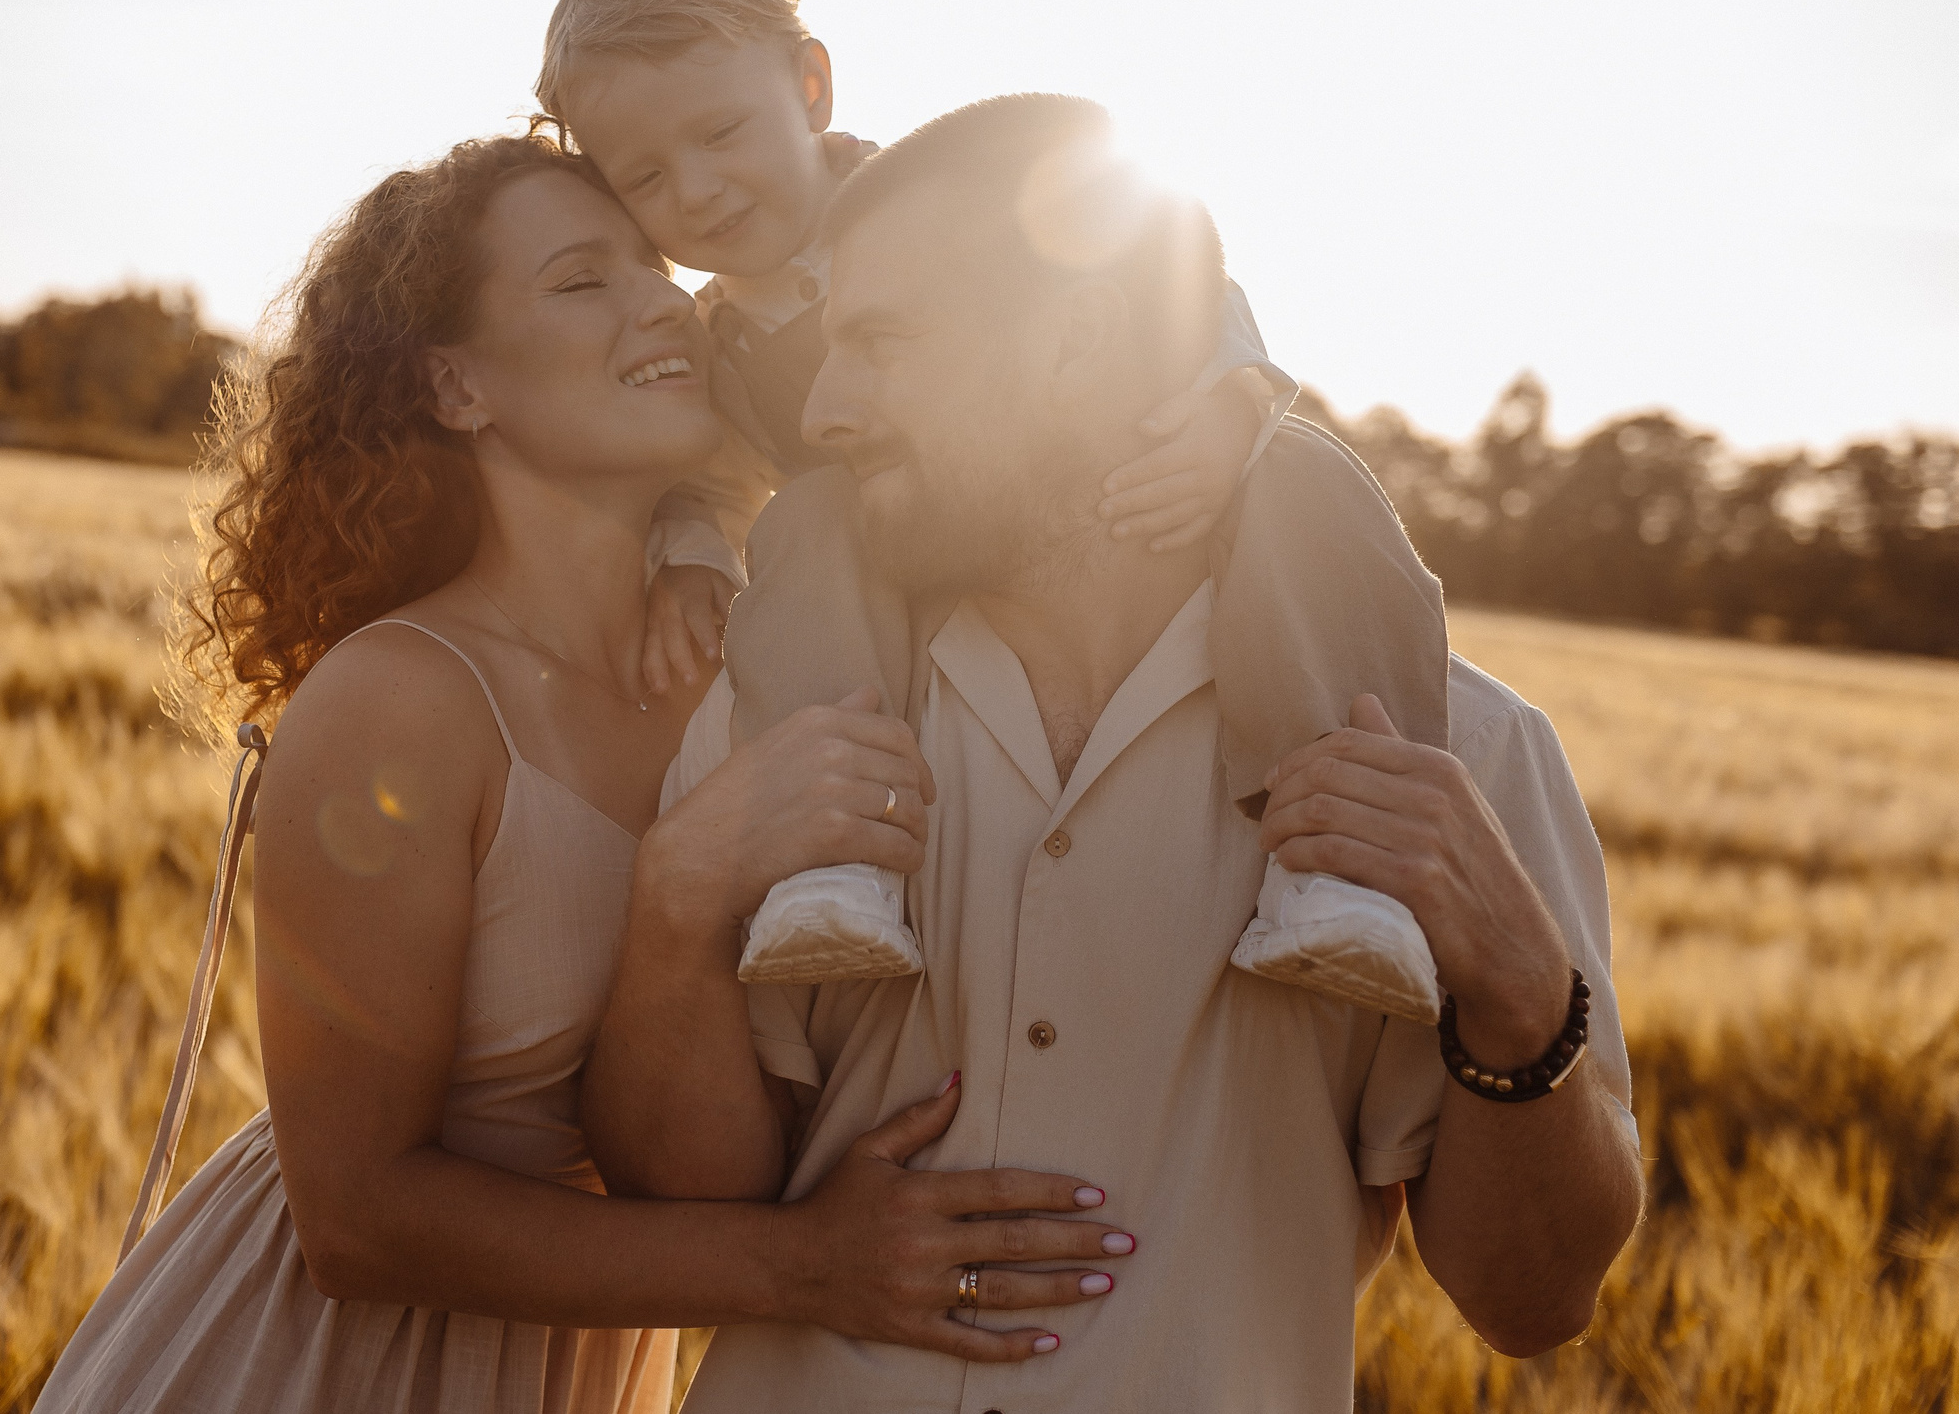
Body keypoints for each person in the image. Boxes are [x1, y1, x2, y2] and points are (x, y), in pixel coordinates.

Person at [32, 130, 1130, 1414]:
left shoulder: (755, 665)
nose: (661, 297)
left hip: (580, 1365)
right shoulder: (401, 699)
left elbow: (985, 382)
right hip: (324, 1370)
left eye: (654, 266)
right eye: (580, 280)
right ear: (457, 389)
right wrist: (806, 1264)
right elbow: (355, 1219)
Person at [584, 95, 1646, 1410]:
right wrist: (674, 902)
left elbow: (1534, 1299)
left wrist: (1523, 984)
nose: (830, 407)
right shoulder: (785, 709)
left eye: (880, 342)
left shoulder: (1459, 753)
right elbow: (679, 1196)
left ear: (1077, 339)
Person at [539, 0, 1451, 1016]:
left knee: (1306, 483)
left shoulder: (951, 204)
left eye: (722, 131)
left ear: (811, 85)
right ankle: (837, 859)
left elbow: (1172, 266)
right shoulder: (715, 336)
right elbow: (711, 473)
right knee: (812, 521)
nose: (696, 190)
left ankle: (1340, 864)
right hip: (903, 565)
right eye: (643, 176)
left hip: (1106, 506)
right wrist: (690, 553)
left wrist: (1228, 407)